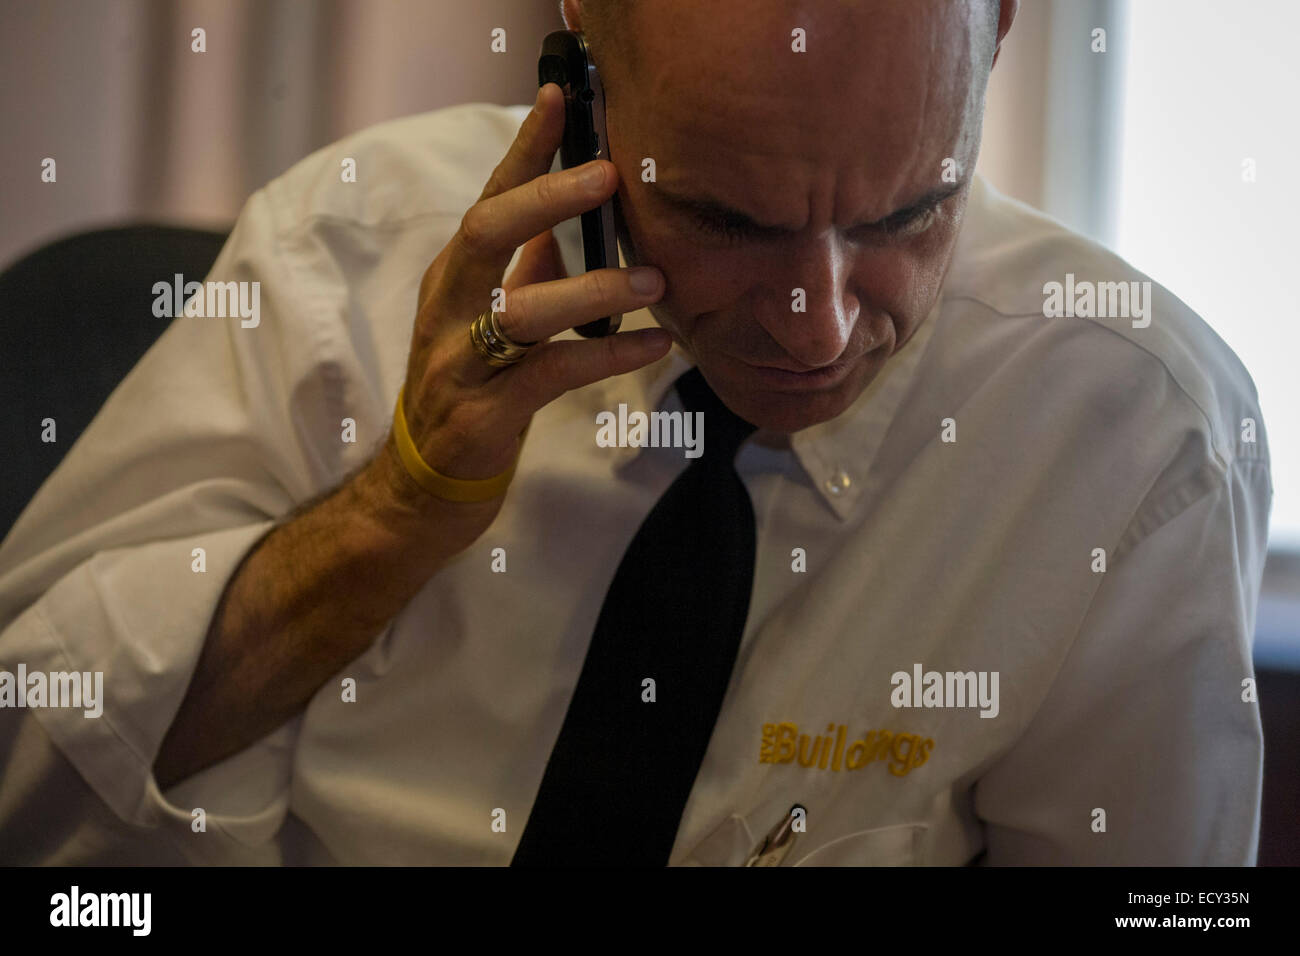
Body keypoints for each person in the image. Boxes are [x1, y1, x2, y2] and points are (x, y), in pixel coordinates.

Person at [0, 0, 1272, 865]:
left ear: (996, 31)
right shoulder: (340, 256)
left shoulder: (1131, 436)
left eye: (908, 216)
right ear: (583, 73)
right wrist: (391, 511)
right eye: (726, 220)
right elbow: (31, 787)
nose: (818, 327)